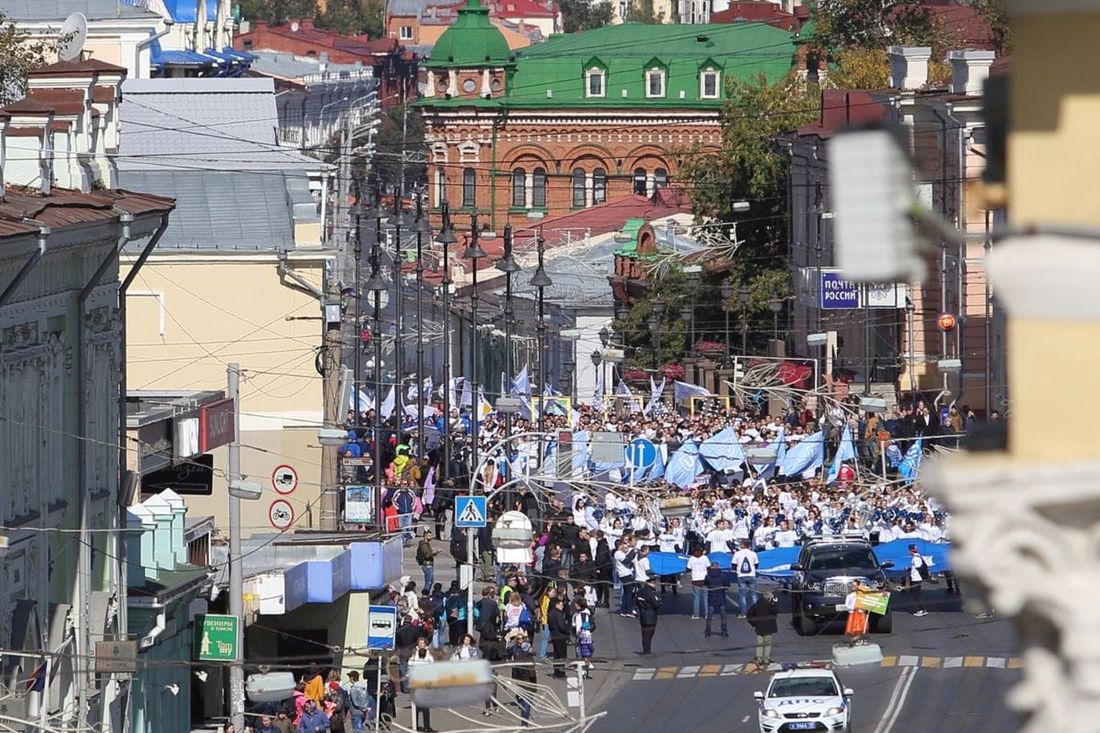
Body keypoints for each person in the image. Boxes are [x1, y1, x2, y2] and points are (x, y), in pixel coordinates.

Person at [506, 628, 538, 726]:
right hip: (528, 684)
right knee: (527, 704)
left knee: (524, 704)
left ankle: (524, 722)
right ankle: (525, 723)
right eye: (519, 638)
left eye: (522, 638)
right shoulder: (528, 658)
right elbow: (532, 674)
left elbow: (515, 671)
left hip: (520, 681)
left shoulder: (519, 658)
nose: (520, 640)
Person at [408, 639, 436, 733]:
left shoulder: (429, 654)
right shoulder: (414, 654)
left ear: (426, 644)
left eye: (423, 643)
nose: (421, 644)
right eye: (420, 643)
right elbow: (409, 665)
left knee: (425, 706)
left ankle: (427, 726)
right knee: (416, 706)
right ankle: (415, 725)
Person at [746, 591, 779, 666]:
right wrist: (775, 603)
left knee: (759, 644)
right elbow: (776, 611)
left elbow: (749, 615)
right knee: (767, 644)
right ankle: (766, 659)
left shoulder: (757, 604)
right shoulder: (770, 605)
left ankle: (759, 659)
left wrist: (753, 623)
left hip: (759, 628)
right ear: (769, 598)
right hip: (768, 628)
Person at [731, 539, 759, 618]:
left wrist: (736, 570)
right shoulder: (753, 553)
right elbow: (757, 564)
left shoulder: (737, 554)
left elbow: (733, 565)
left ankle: (743, 613)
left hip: (741, 576)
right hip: (751, 575)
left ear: (742, 545)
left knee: (742, 595)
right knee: (754, 595)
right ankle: (755, 613)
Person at [635, 577, 661, 655]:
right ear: (651, 583)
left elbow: (637, 601)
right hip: (651, 615)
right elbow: (656, 604)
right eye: (654, 583)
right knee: (649, 633)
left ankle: (645, 649)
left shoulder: (640, 591)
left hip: (643, 614)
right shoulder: (651, 592)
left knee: (644, 633)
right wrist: (659, 601)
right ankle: (647, 651)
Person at [703, 562, 729, 638]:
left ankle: (708, 631)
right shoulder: (723, 575)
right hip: (721, 597)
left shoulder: (708, 576)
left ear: (711, 567)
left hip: (711, 597)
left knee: (709, 616)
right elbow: (727, 586)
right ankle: (724, 631)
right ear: (718, 566)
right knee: (723, 616)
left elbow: (706, 584)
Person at [547, 597, 572, 678]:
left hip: (554, 636)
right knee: (562, 656)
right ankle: (561, 673)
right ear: (556, 604)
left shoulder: (551, 613)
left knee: (556, 656)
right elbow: (561, 626)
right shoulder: (558, 614)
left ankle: (556, 672)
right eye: (561, 604)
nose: (563, 606)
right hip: (560, 636)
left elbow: (549, 625)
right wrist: (567, 630)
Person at [613, 537, 638, 618]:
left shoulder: (622, 553)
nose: (625, 547)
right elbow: (626, 560)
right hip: (625, 575)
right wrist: (633, 552)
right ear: (619, 546)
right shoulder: (618, 553)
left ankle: (623, 610)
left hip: (627, 573)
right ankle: (629, 611)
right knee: (629, 593)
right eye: (623, 545)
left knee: (626, 593)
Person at [686, 546, 711, 620]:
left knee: (696, 598)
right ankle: (707, 614)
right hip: (704, 579)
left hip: (695, 579)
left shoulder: (691, 558)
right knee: (706, 598)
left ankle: (696, 614)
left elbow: (688, 569)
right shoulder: (705, 558)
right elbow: (709, 567)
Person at [843, 581, 871, 645]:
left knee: (863, 627)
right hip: (853, 613)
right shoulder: (849, 595)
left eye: (855, 585)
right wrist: (853, 607)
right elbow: (846, 605)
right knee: (855, 627)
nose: (853, 587)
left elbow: (866, 602)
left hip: (861, 613)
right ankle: (856, 639)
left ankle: (862, 639)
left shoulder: (862, 595)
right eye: (852, 585)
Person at [573, 598, 595, 678]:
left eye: (576, 604)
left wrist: (578, 633)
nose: (575, 605)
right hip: (587, 636)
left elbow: (576, 625)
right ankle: (585, 672)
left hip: (581, 636)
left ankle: (583, 672)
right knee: (586, 653)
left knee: (581, 654)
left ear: (579, 605)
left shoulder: (580, 615)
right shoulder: (587, 613)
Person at [908, 544, 929, 616]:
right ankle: (922, 609)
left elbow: (918, 568)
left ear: (910, 551)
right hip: (916, 578)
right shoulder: (918, 556)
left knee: (915, 595)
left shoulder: (916, 558)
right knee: (915, 594)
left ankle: (923, 610)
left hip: (916, 579)